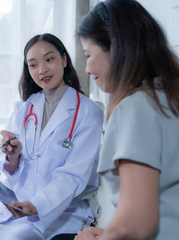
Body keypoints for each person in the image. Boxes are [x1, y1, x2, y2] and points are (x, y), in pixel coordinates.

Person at [0, 33, 104, 240]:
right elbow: (7, 160)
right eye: (33, 65)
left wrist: (38, 205)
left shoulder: (88, 112)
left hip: (59, 212)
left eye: (49, 59)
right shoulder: (24, 107)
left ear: (64, 60)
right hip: (15, 204)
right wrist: (12, 155)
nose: (42, 70)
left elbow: (73, 175)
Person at [75, 0, 179, 239]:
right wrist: (109, 232)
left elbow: (136, 224)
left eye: (88, 54)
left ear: (116, 46)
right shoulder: (168, 96)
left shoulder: (135, 107)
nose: (88, 69)